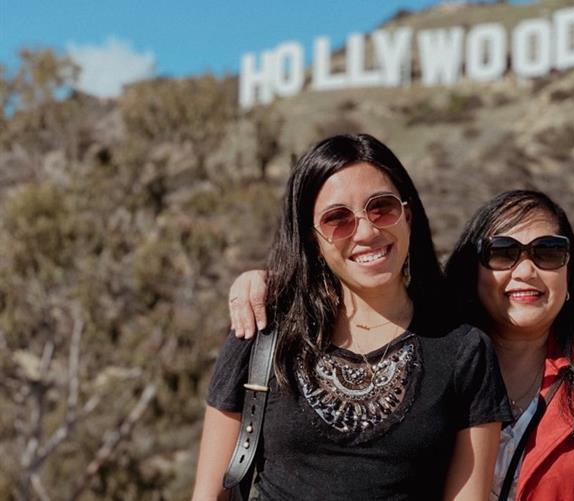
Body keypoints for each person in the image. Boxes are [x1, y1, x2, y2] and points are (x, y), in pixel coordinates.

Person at [228, 189, 574, 500]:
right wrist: (270, 284)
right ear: (473, 270)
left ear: (570, 274)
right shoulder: (429, 358)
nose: (526, 271)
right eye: (503, 252)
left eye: (548, 252)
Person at [193, 134, 512, 500]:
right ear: (312, 240)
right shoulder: (263, 332)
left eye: (382, 208)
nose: (367, 231)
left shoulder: (464, 350)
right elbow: (208, 495)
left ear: (407, 215)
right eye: (337, 219)